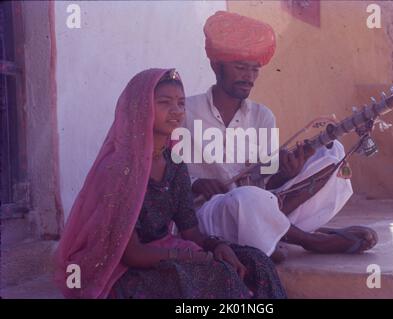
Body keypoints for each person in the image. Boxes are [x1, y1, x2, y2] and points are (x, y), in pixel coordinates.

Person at [54, 68, 287, 299]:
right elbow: (131, 254)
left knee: (257, 262)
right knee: (215, 275)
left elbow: (190, 231)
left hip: (167, 253)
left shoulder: (174, 163)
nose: (176, 111)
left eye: (181, 103)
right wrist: (193, 258)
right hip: (124, 269)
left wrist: (216, 246)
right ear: (140, 108)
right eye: (165, 102)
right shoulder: (119, 169)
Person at [184, 11, 378, 260]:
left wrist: (288, 172)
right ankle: (311, 239)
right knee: (247, 198)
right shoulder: (186, 111)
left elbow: (266, 182)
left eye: (254, 70)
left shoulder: (262, 116)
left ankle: (270, 234)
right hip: (209, 214)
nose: (248, 77)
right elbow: (164, 171)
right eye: (240, 67)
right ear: (216, 66)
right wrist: (195, 183)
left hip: (259, 203)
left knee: (333, 155)